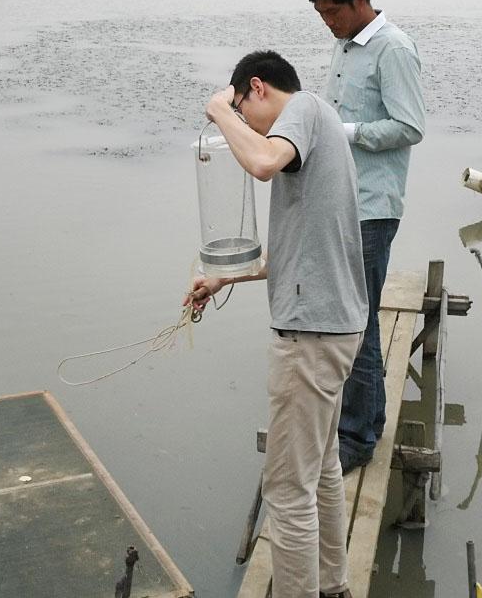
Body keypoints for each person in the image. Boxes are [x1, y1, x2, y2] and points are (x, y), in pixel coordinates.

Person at [187, 50, 366, 598]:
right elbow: (294, 254)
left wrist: (220, 112)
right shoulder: (320, 123)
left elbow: (262, 163)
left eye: (245, 109)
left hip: (309, 336)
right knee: (324, 468)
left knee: (287, 492)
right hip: (334, 326)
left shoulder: (304, 112)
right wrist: (225, 279)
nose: (244, 123)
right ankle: (333, 585)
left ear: (257, 88)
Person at [308, 0, 426, 474]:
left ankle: (358, 437)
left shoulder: (392, 48)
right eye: (321, 15)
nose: (327, 22)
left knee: (359, 324)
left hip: (373, 207)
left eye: (333, 12)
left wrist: (345, 132)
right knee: (348, 318)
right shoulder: (345, 44)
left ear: (361, 1)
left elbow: (408, 126)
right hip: (341, 200)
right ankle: (358, 419)